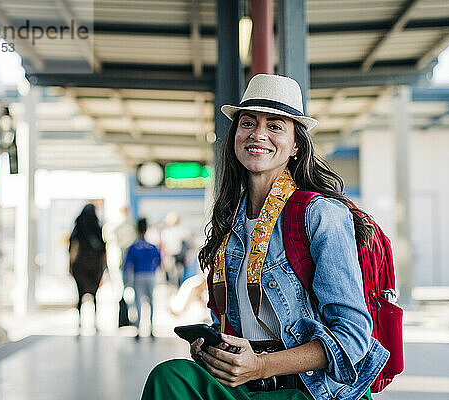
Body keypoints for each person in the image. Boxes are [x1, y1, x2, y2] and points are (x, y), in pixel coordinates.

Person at [141, 74, 388, 400]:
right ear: (234, 135)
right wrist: (215, 348)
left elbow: (353, 338)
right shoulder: (230, 222)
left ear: (296, 145)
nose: (258, 134)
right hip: (247, 383)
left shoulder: (320, 214)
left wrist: (261, 365)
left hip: (311, 389)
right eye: (248, 123)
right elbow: (243, 326)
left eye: (275, 126)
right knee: (169, 377)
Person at [69, 203, 107, 332]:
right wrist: (104, 267)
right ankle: (95, 322)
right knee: (95, 294)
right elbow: (103, 248)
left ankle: (80, 321)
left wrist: (70, 264)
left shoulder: (78, 225)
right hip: (95, 265)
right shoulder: (97, 226)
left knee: (80, 294)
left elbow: (73, 245)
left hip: (80, 265)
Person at [123, 218, 161, 340]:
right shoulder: (152, 247)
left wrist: (126, 281)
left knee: (138, 302)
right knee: (151, 302)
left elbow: (127, 265)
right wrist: (153, 269)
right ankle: (151, 329)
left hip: (138, 276)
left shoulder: (133, 247)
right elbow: (159, 261)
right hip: (150, 276)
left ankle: (138, 329)